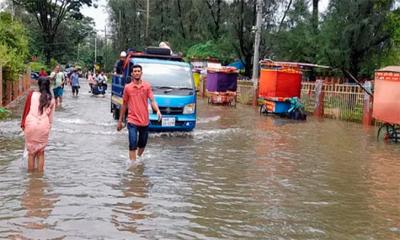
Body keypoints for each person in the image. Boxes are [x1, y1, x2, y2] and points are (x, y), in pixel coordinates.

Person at [117, 64, 162, 162]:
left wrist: (158, 110)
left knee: (142, 144)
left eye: (138, 71)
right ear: (132, 74)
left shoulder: (146, 86)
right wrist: (120, 121)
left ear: (141, 73)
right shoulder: (128, 88)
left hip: (144, 121)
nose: (137, 73)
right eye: (135, 71)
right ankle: (133, 167)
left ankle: (138, 158)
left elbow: (152, 100)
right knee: (132, 143)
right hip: (132, 120)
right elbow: (124, 104)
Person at [21, 78, 55, 172]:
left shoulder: (32, 95)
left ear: (38, 85)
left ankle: (31, 178)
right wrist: (47, 129)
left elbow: (26, 110)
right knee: (41, 153)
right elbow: (51, 119)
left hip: (31, 123)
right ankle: (39, 177)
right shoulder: (51, 99)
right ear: (49, 85)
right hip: (44, 124)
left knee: (31, 153)